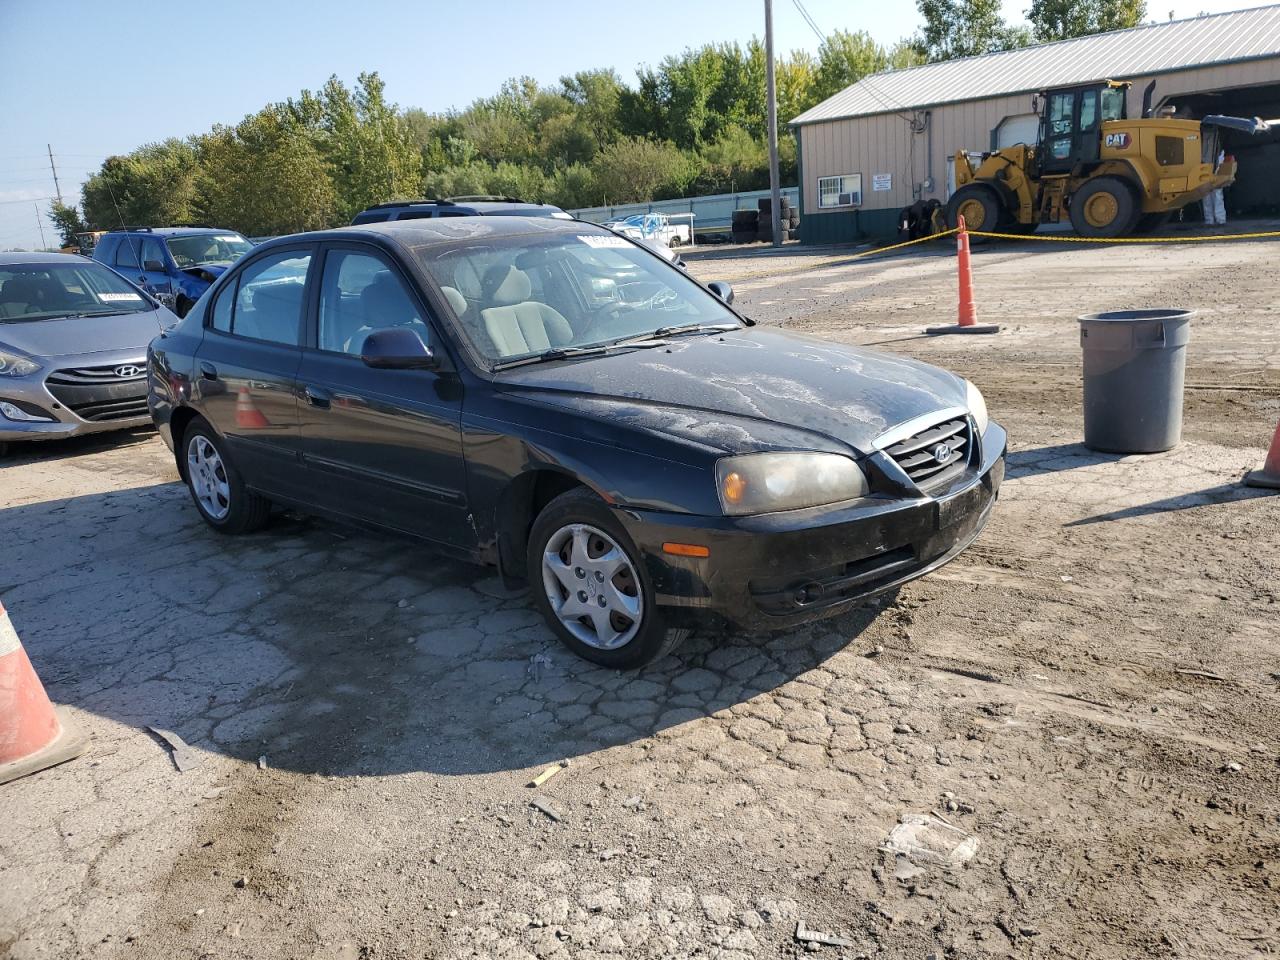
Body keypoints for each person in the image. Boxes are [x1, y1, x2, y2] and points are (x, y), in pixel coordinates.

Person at [1204, 149, 1228, 226]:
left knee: (1215, 195)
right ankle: (1215, 220)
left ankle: (1216, 220)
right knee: (1208, 195)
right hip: (1207, 165)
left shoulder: (1214, 145)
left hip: (1213, 165)